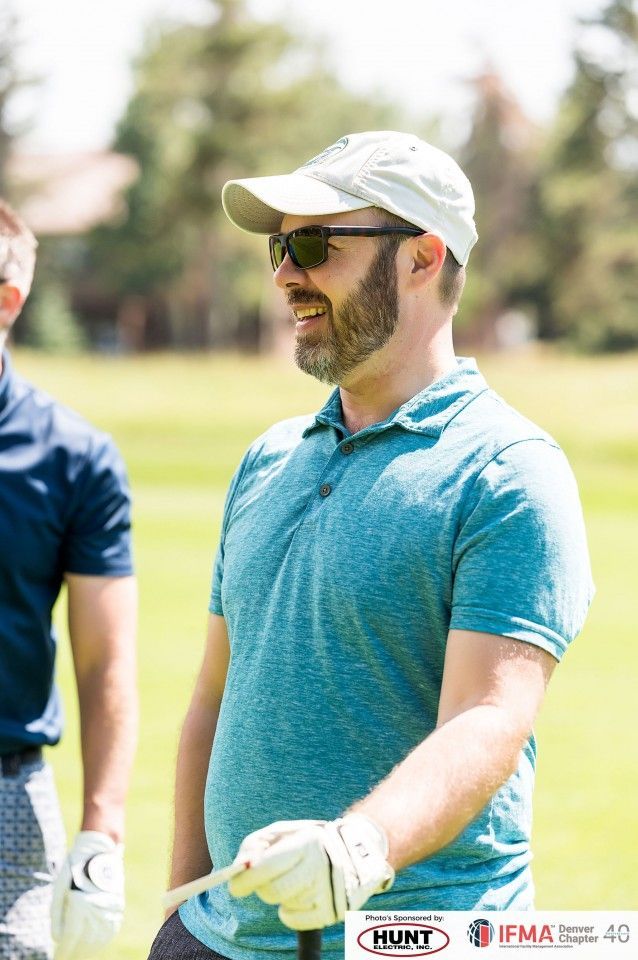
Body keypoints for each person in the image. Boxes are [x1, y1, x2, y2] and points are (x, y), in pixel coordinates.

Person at [148, 131, 594, 960]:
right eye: (280, 248)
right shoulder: (268, 458)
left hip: (417, 942)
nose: (285, 274)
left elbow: (489, 717)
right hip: (216, 939)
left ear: (422, 258)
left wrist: (360, 846)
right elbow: (213, 694)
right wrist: (182, 913)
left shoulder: (508, 471)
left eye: (316, 244)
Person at [0, 199, 138, 960]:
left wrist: (102, 830)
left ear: (8, 300)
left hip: (7, 793)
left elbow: (103, 661)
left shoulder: (74, 459)